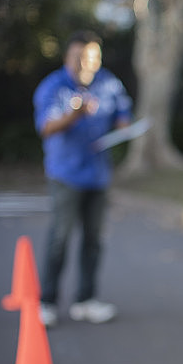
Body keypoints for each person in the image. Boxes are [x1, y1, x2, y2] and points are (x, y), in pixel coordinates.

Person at [33, 30, 133, 326]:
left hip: (99, 175)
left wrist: (124, 124)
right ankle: (47, 302)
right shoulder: (53, 86)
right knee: (60, 239)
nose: (86, 63)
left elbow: (122, 112)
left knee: (94, 240)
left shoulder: (108, 82)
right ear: (68, 57)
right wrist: (73, 115)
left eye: (92, 57)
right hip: (65, 174)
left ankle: (85, 300)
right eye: (80, 57)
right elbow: (46, 127)